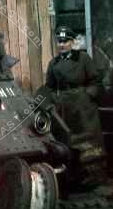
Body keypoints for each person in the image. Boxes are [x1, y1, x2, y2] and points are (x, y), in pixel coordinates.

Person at [45, 26, 105, 187]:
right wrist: (53, 100)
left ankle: (92, 179)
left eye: (65, 41)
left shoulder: (83, 58)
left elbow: (95, 80)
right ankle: (70, 180)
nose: (62, 45)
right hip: (63, 109)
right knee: (66, 142)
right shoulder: (54, 63)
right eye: (59, 41)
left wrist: (87, 97)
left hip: (82, 109)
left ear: (72, 42)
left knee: (87, 143)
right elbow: (49, 87)